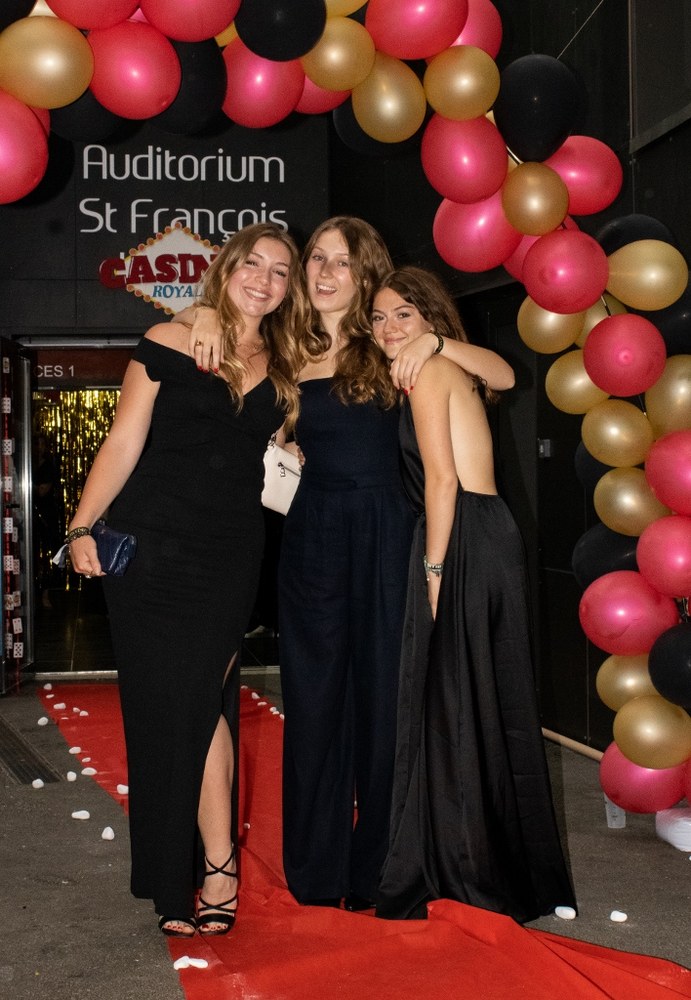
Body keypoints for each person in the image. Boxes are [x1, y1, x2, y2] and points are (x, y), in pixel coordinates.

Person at [187, 217, 515, 911]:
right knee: (312, 706)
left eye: (342, 260)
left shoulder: (392, 343)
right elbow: (222, 327)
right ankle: (317, 871)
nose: (325, 272)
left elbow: (502, 374)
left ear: (366, 271)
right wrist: (204, 312)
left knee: (384, 708)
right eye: (316, 258)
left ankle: (381, 869)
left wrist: (433, 340)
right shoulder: (284, 345)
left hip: (388, 536)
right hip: (310, 539)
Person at [65, 222, 307, 938]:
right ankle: (188, 874)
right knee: (163, 710)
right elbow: (123, 440)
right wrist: (81, 527)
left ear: (289, 288)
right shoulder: (167, 341)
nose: (264, 279)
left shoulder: (288, 363)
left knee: (201, 701)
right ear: (226, 268)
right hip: (149, 550)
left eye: (281, 271)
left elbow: (285, 454)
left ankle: (212, 866)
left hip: (228, 555)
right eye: (253, 264)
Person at [370, 266, 577, 923]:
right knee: (475, 698)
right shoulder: (436, 367)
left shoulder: (431, 371)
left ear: (430, 317)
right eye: (378, 317)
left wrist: (432, 572)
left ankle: (463, 869)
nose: (388, 328)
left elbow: (441, 481)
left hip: (459, 536)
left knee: (453, 702)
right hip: (481, 532)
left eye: (403, 314)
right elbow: (505, 376)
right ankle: (479, 862)